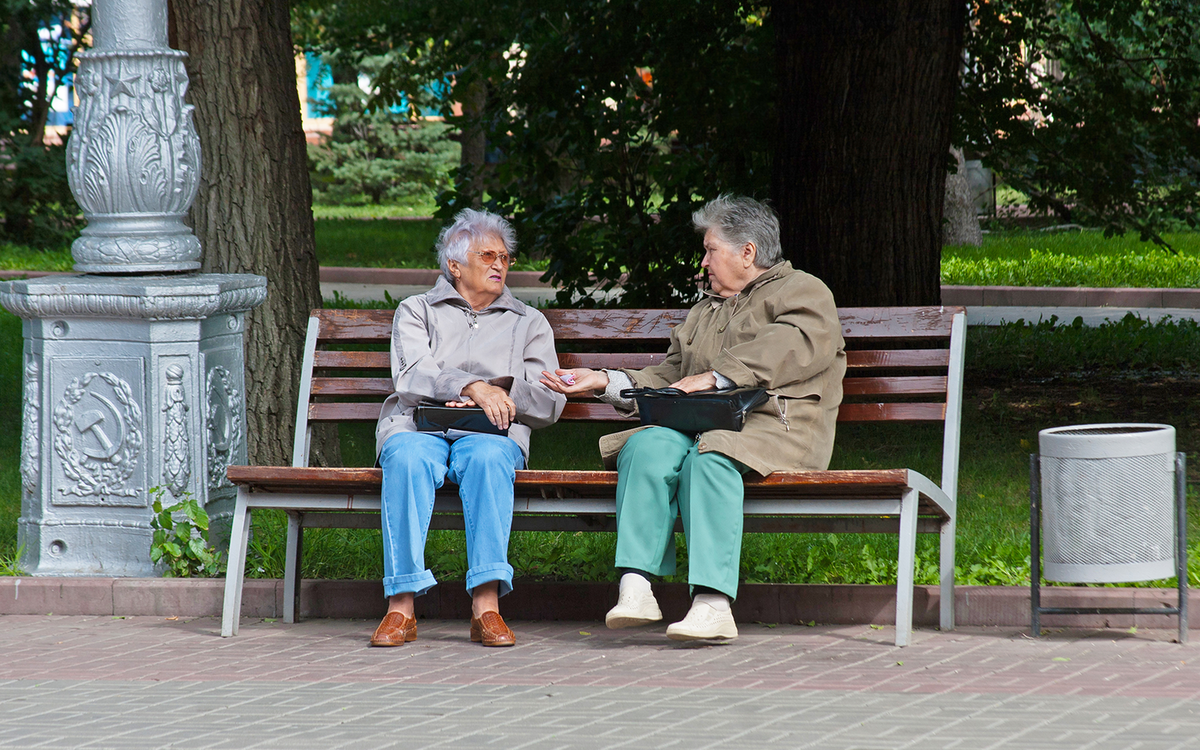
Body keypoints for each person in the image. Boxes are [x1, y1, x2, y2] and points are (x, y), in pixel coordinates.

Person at [541, 195, 845, 642]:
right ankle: (636, 585)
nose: (703, 262)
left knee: (711, 457)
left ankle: (712, 602)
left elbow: (786, 349)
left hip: (778, 426)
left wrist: (712, 377)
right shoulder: (706, 309)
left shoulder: (802, 291)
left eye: (710, 250)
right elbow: (670, 376)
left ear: (748, 252)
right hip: (705, 422)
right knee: (645, 445)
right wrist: (603, 381)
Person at [371, 208, 565, 648]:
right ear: (455, 266)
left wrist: (501, 395)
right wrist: (471, 386)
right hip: (419, 425)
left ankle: (487, 605)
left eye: (505, 257)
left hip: (492, 433)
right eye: (488, 256)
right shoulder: (416, 311)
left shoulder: (528, 323)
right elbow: (411, 376)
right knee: (405, 457)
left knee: (488, 459)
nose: (500, 265)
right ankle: (400, 607)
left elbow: (551, 402)